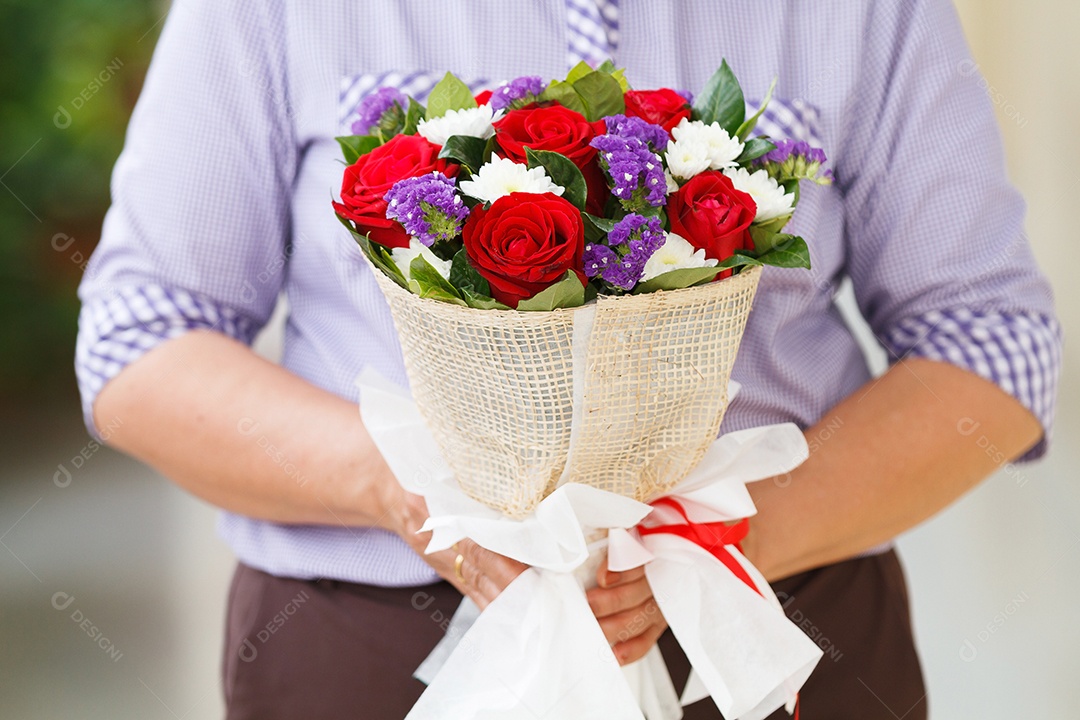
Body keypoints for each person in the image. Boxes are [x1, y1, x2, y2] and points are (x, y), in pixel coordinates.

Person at [75, 0, 1060, 718]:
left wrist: (717, 543)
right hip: (372, 649)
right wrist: (415, 496)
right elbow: (141, 337)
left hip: (765, 642)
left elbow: (991, 343)